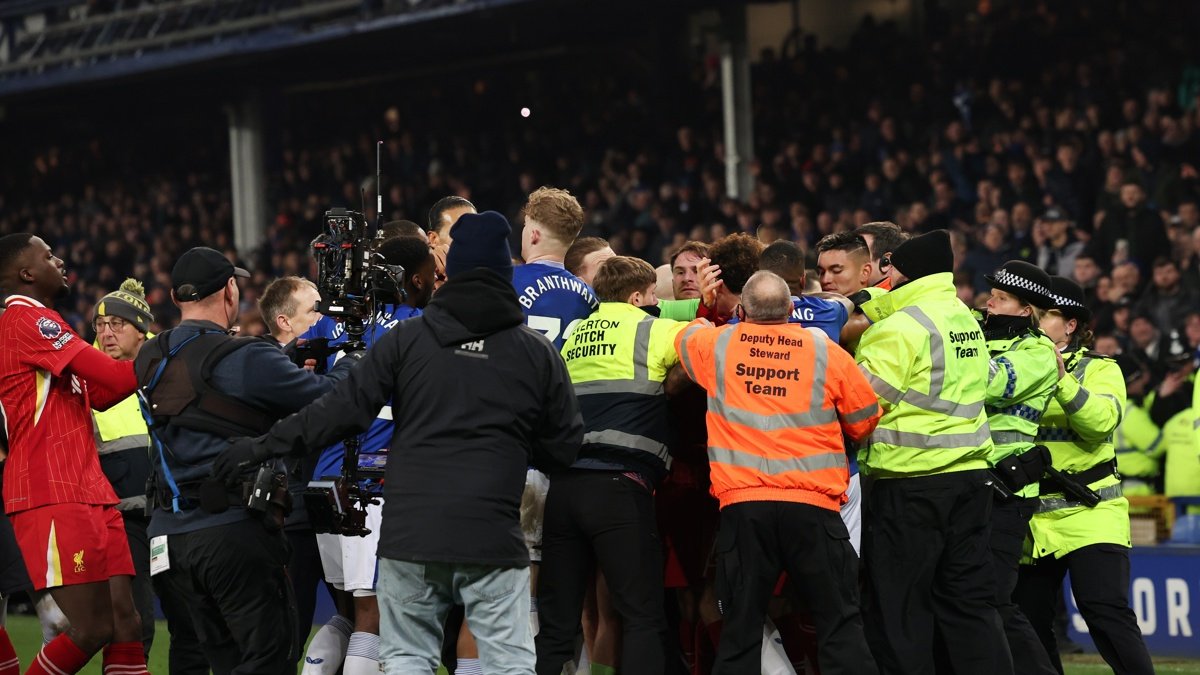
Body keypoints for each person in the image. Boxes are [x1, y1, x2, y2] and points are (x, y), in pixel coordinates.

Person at [215, 211, 583, 674]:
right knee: (507, 662)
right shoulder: (534, 350)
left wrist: (259, 446)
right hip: (491, 533)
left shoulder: (408, 340)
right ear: (505, 273)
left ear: (454, 271)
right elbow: (565, 446)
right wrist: (511, 445)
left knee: (408, 658)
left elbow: (338, 412)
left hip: (411, 533)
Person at [136, 246, 361, 673]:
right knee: (266, 659)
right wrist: (353, 362)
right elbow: (328, 399)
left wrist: (282, 361)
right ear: (228, 291)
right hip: (232, 532)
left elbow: (208, 387)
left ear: (177, 296)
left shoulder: (151, 356)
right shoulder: (244, 356)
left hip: (170, 537)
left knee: (214, 659)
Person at [676, 270, 882, 675]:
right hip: (813, 509)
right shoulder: (824, 352)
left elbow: (685, 338)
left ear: (741, 310)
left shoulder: (718, 345)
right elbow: (864, 418)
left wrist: (706, 314)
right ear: (791, 309)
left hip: (744, 509)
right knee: (839, 623)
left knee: (740, 630)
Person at [854, 229, 1008, 675]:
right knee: (969, 604)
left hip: (910, 482)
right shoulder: (963, 318)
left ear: (906, 275)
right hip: (972, 478)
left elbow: (861, 403)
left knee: (899, 609)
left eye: (891, 272)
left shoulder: (899, 328)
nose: (885, 280)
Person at [0, 233, 147, 675]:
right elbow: (118, 380)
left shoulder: (48, 324)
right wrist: (177, 347)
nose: (60, 260)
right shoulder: (26, 322)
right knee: (89, 627)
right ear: (27, 273)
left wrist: (144, 348)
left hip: (91, 489)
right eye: (48, 256)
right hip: (52, 489)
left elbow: (102, 392)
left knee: (127, 623)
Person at [536, 256, 688, 675]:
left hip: (564, 490)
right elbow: (705, 342)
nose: (658, 302)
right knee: (641, 615)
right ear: (637, 296)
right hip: (620, 488)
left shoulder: (573, 336)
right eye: (654, 295)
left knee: (556, 624)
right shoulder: (650, 328)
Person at [298, 237, 436, 675]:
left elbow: (296, 353)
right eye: (433, 273)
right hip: (368, 482)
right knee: (371, 616)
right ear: (415, 279)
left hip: (324, 478)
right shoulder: (418, 324)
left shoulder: (332, 325)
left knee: (343, 611)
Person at [1013, 276, 1155, 675]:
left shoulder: (1101, 369)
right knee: (1028, 622)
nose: (1034, 321)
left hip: (1092, 513)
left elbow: (1101, 422)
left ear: (1070, 325)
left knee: (1105, 612)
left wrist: (1060, 380)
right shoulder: (1017, 367)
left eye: (1044, 315)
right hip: (1034, 521)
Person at [976, 261, 1061, 674]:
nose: (989, 300)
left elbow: (991, 384)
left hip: (1007, 493)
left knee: (993, 599)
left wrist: (956, 349)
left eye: (1002, 297)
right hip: (968, 482)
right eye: (992, 293)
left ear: (1026, 310)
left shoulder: (1038, 351)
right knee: (963, 596)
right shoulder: (979, 334)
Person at [257, 275, 339, 669]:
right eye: (315, 309)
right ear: (286, 323)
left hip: (331, 507)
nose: (325, 316)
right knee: (291, 627)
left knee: (357, 620)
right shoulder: (262, 366)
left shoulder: (322, 358)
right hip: (291, 517)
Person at [89, 279, 162, 658]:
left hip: (169, 515)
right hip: (120, 521)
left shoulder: (164, 376)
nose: (105, 333)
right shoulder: (83, 383)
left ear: (142, 330)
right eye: (100, 326)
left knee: (190, 620)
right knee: (133, 623)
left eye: (116, 324)